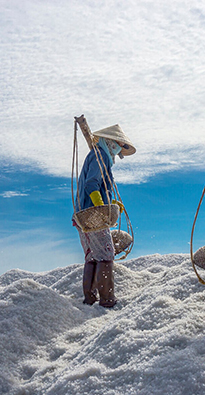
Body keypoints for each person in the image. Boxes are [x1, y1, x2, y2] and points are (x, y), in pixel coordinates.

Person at [74, 124, 136, 308]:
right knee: (106, 253)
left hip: (82, 213)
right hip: (92, 215)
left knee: (93, 256)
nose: (119, 150)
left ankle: (90, 299)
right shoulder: (100, 155)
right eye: (119, 145)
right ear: (109, 141)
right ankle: (107, 300)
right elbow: (92, 184)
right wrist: (101, 207)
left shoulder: (98, 155)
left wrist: (111, 203)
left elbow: (97, 186)